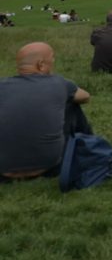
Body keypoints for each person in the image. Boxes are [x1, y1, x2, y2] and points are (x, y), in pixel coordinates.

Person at [1, 42, 92, 182]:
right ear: (41, 65)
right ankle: (89, 149)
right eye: (52, 58)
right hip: (50, 168)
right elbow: (85, 97)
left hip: (3, 172)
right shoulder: (59, 83)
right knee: (71, 103)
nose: (54, 62)